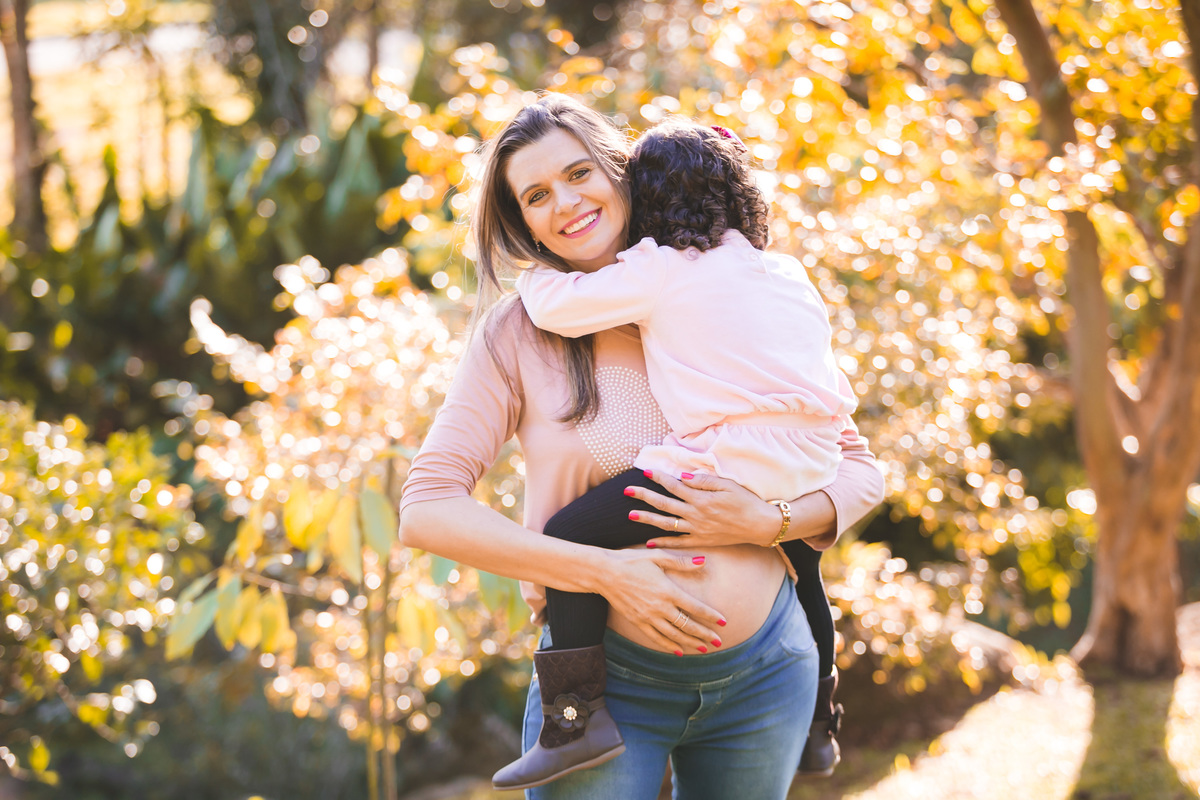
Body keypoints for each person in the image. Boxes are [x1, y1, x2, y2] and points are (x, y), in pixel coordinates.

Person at [398, 93, 884, 800]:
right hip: (613, 689)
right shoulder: (519, 332)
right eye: (536, 195)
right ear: (521, 221)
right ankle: (570, 718)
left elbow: (859, 470)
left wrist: (767, 521)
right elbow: (426, 510)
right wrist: (606, 574)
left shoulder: (724, 289)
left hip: (768, 672)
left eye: (579, 174)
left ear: (621, 170)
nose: (565, 203)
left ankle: (820, 715)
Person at [499, 117, 855, 788]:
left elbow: (561, 311)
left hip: (725, 463)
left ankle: (574, 719)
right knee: (802, 564)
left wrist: (533, 275)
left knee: (572, 536)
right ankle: (822, 718)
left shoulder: (662, 268)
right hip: (808, 460)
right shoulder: (784, 272)